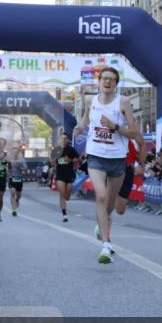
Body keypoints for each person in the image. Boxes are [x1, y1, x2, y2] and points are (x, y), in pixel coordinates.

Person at [73, 66, 139, 264]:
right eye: (104, 79)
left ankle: (100, 227)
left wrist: (114, 127)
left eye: (111, 79)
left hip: (118, 158)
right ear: (99, 81)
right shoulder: (90, 101)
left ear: (116, 84)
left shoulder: (123, 102)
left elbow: (134, 133)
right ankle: (106, 245)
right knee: (101, 196)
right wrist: (80, 127)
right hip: (96, 156)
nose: (108, 82)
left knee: (110, 206)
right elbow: (86, 119)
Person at [50, 133, 80, 222]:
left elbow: (79, 159)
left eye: (65, 138)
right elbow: (52, 162)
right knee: (62, 194)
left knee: (67, 197)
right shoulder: (56, 150)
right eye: (62, 138)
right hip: (60, 175)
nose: (63, 140)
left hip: (70, 174)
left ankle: (66, 199)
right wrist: (53, 160)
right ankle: (64, 215)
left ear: (67, 140)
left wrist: (70, 160)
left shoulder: (71, 149)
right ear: (60, 139)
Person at [115, 136, 145, 217]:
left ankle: (112, 199)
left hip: (127, 170)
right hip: (111, 167)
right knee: (105, 201)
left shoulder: (132, 137)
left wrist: (141, 165)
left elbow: (142, 145)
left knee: (120, 210)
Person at [8, 152, 24, 217]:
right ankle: (14, 210)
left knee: (19, 195)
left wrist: (21, 168)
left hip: (19, 179)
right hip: (12, 178)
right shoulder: (10, 160)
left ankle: (17, 200)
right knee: (12, 193)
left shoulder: (21, 160)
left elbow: (25, 168)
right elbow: (7, 169)